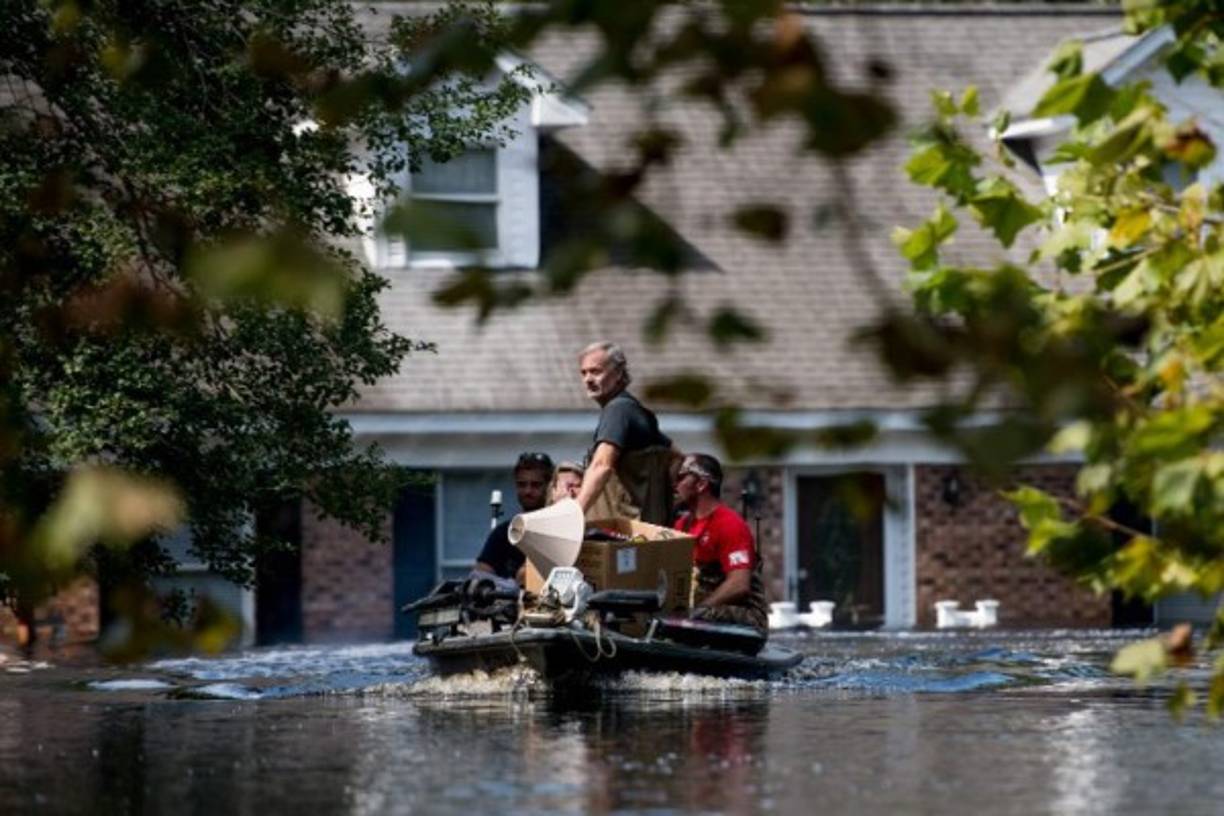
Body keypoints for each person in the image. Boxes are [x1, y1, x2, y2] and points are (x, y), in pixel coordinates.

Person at [573, 341, 678, 525]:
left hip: (626, 534)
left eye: (596, 371)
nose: (588, 379)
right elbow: (677, 457)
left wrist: (573, 514)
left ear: (619, 373)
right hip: (648, 530)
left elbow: (601, 465)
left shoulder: (618, 410)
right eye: (584, 373)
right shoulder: (636, 411)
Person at [673, 453, 769, 635]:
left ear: (701, 484)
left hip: (746, 618)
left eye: (681, 477)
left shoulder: (730, 525)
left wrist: (698, 610)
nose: (675, 484)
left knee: (696, 616)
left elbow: (739, 584)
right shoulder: (681, 525)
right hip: (700, 611)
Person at [474, 452, 553, 584]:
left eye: (535, 485)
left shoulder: (558, 529)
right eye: (522, 485)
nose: (528, 491)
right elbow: (480, 573)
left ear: (549, 487)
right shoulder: (503, 533)